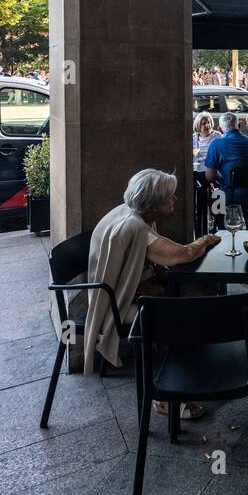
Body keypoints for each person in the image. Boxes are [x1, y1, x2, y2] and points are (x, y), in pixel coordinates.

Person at [83, 170, 221, 419]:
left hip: (111, 292)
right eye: (169, 197)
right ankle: (166, 396)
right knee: (179, 318)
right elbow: (182, 254)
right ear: (154, 205)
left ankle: (190, 372)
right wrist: (205, 240)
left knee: (189, 299)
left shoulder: (130, 212)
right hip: (116, 305)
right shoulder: (137, 227)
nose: (175, 199)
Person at [204, 113, 248, 215]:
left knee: (213, 195)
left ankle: (218, 225)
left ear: (220, 129)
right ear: (239, 126)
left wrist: (224, 178)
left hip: (231, 198)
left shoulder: (216, 144)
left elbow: (210, 176)